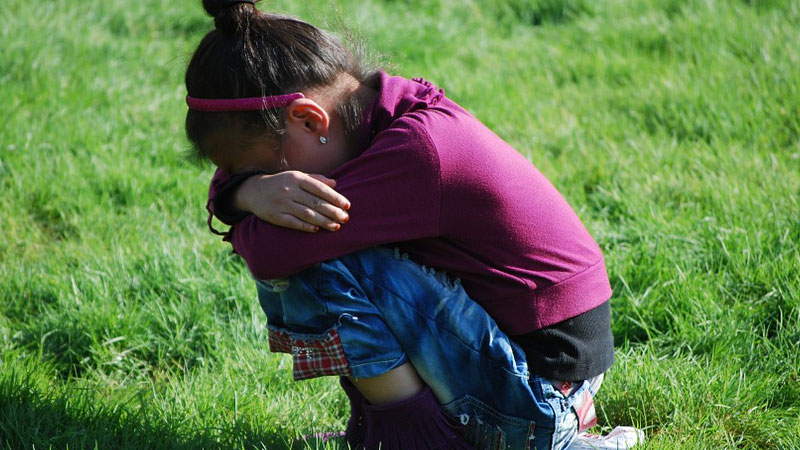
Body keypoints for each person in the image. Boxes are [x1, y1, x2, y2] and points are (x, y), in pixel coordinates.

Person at [184, 1, 618, 449]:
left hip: (540, 393)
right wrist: (245, 192)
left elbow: (272, 252)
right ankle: (398, 428)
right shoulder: (380, 108)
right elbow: (239, 201)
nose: (271, 188)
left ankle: (418, 438)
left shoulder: (419, 153)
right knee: (317, 235)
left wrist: (241, 200)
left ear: (310, 120)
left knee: (312, 254)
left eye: (260, 170)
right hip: (545, 372)